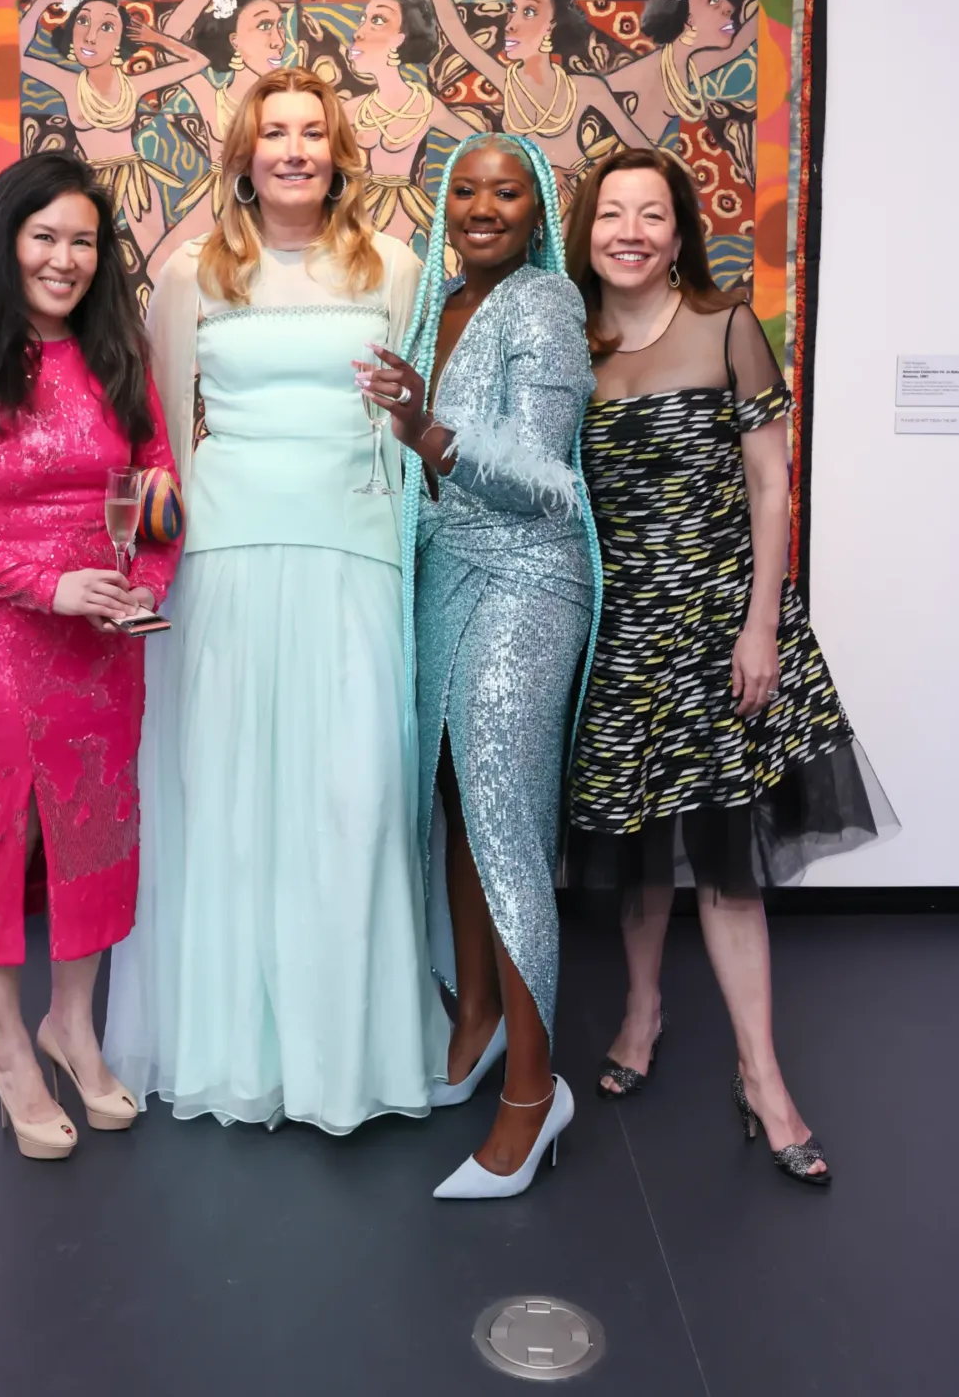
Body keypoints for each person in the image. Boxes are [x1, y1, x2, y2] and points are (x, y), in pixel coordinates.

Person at [104, 68, 449, 1133]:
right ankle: (233, 1047)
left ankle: (351, 1051)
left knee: (353, 797)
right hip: (230, 554)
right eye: (274, 133)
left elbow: (416, 426)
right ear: (245, 155)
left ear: (341, 150)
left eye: (312, 132)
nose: (294, 149)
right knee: (233, 798)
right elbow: (163, 441)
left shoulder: (393, 267)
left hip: (353, 547)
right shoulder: (192, 271)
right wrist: (152, 573)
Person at [563, 146, 897, 1186]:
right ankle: (641, 1010)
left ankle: (763, 1076)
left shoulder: (726, 326)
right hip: (618, 633)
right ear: (586, 230)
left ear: (678, 230)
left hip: (717, 626)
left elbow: (768, 485)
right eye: (611, 212)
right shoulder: (567, 342)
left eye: (650, 213)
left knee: (723, 863)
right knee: (636, 849)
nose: (630, 230)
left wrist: (760, 625)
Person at [0, 154, 183, 1161]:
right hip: (1, 643)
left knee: (98, 831)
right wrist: (43, 582)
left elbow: (159, 487)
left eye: (83, 241)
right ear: (5, 241)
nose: (65, 258)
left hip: (103, 646)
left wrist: (146, 582)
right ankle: (9, 1047)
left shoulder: (118, 353)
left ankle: (73, 1024)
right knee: (4, 837)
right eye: (45, 235)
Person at [359, 132, 602, 1200]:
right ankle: (477, 1018)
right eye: (467, 189)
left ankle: (536, 1095)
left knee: (505, 822)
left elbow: (549, 479)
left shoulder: (544, 302)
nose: (484, 206)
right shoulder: (437, 304)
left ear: (537, 206)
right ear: (444, 203)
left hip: (529, 578)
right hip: (445, 569)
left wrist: (432, 435)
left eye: (507, 190)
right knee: (454, 801)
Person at [380, 0, 652, 184]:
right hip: (522, 203)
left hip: (573, 203)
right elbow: (458, 36)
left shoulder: (587, 89)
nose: (511, 23)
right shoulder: (507, 83)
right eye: (513, 10)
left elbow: (640, 146)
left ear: (552, 25)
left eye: (530, 12)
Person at [19, 0, 205, 308]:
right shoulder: (68, 82)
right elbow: (16, 52)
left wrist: (156, 39)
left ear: (120, 41)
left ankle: (168, 340)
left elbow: (197, 61)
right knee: (86, 272)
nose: (91, 36)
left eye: (107, 27)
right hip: (89, 188)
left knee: (160, 268)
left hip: (135, 184)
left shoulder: (133, 85)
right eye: (83, 22)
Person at [130, 0, 289, 273]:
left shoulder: (288, 104)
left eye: (280, 26)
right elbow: (173, 36)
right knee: (162, 269)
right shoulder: (210, 96)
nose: (278, 41)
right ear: (234, 41)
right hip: (219, 204)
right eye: (264, 26)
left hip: (275, 215)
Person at [341, 0, 469, 242]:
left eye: (377, 20)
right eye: (363, 19)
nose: (359, 32)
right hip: (364, 203)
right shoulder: (352, 109)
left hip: (405, 207)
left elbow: (482, 142)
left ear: (400, 39)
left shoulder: (425, 105)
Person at [606, 0, 758, 142]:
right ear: (688, 19)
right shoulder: (647, 71)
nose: (729, 7)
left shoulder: (690, 63)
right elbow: (594, 91)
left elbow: (738, 46)